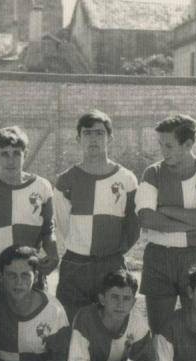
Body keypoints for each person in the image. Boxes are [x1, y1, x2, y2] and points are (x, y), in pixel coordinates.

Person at [135, 114, 196, 334]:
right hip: (159, 256)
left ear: (188, 144)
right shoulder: (153, 172)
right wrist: (194, 222)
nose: (163, 151)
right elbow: (147, 218)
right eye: (160, 145)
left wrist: (167, 210)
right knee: (160, 330)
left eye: (169, 146)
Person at [53, 110, 139, 323]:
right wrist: (82, 249)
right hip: (76, 265)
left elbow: (133, 225)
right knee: (73, 325)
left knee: (111, 325)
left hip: (111, 262)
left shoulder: (127, 179)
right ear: (78, 138)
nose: (93, 139)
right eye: (87, 133)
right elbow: (63, 225)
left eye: (99, 133)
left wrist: (112, 253)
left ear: (110, 138)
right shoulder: (66, 180)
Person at [0, 126, 58, 292]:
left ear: (25, 154)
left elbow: (48, 230)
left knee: (32, 308)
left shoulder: (42, 186)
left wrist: (53, 255)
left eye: (16, 153)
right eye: (4, 154)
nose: (11, 160)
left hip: (29, 268)